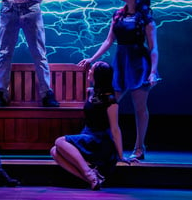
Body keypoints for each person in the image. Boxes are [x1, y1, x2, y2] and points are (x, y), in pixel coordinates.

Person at [78, 0, 159, 160]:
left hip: (139, 64)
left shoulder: (145, 18)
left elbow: (153, 48)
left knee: (140, 109)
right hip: (121, 63)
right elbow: (108, 41)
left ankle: (139, 148)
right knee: (107, 104)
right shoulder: (118, 15)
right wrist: (92, 59)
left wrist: (153, 71)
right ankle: (104, 144)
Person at [50, 61, 136, 190]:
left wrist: (121, 155)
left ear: (98, 76)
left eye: (92, 70)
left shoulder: (110, 100)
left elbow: (115, 129)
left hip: (100, 142)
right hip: (88, 137)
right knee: (54, 151)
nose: (89, 71)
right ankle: (93, 179)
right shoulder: (92, 92)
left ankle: (89, 174)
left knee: (59, 141)